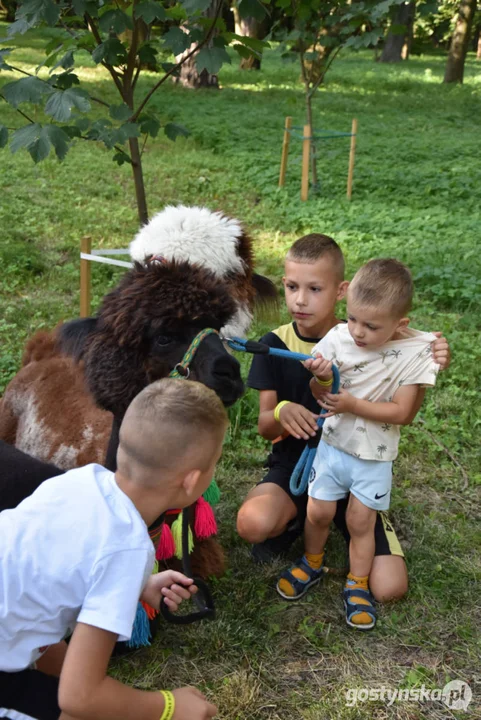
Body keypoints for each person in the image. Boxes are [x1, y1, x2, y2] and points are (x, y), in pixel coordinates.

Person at [236, 235, 450, 603]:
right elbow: (264, 426)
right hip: (297, 463)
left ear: (341, 290)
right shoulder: (278, 343)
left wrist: (426, 355)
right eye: (291, 287)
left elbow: (405, 409)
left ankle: (362, 521)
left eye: (315, 288)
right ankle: (295, 521)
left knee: (390, 588)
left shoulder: (374, 337)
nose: (301, 300)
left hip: (361, 466)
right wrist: (282, 410)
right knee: (253, 522)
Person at [0, 378, 227, 720]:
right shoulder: (128, 549)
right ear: (192, 480)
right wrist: (168, 707)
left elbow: (47, 580)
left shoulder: (79, 480)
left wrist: (137, 586)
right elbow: (79, 697)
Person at [276, 258, 440, 630]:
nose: (358, 332)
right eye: (352, 319)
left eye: (371, 325)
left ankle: (357, 582)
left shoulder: (413, 355)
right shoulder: (337, 338)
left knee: (359, 521)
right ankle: (312, 562)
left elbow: (401, 413)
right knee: (318, 513)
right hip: (332, 448)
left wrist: (351, 404)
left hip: (373, 459)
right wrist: (320, 379)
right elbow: (320, 395)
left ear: (401, 325)